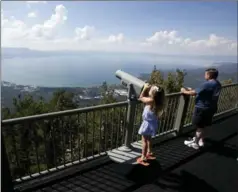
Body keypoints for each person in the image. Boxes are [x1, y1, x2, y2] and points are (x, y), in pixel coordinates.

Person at [181, 68, 221, 149]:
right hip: (211, 107)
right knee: (205, 125)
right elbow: (203, 92)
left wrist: (184, 91)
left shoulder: (207, 84)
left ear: (209, 75)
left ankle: (195, 143)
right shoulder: (218, 84)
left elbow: (193, 93)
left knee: (199, 126)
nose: (204, 75)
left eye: (205, 74)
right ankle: (200, 141)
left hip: (202, 108)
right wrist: (192, 90)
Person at [137, 83, 166, 166]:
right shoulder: (157, 101)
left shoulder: (151, 101)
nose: (149, 90)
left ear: (153, 94)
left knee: (144, 140)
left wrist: (145, 88)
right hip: (153, 123)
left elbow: (141, 98)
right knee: (149, 138)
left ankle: (143, 157)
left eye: (151, 90)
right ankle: (149, 152)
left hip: (147, 123)